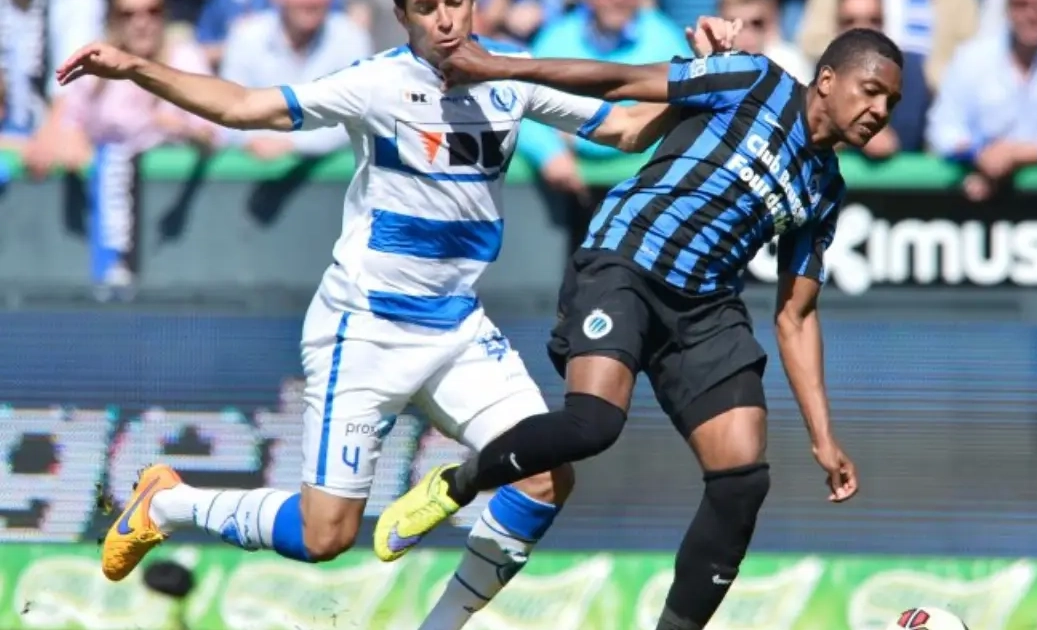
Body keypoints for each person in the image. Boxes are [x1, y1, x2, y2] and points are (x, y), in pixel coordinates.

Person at [54, 3, 738, 629]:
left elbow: (625, 128)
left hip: (459, 330)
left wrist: (707, 78)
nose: (445, 20)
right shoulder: (377, 83)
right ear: (402, 14)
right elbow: (243, 107)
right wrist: (138, 68)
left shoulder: (511, 77)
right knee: (325, 535)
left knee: (546, 474)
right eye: (426, 7)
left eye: (456, 2)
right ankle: (168, 503)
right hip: (365, 331)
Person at [377, 27, 903, 630]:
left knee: (741, 480)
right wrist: (497, 66)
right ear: (827, 79)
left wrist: (823, 438)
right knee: (594, 424)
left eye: (891, 103)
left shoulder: (824, 188)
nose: (879, 111)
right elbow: (622, 82)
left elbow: (796, 315)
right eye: (871, 91)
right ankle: (460, 482)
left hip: (705, 308)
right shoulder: (755, 80)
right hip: (626, 262)